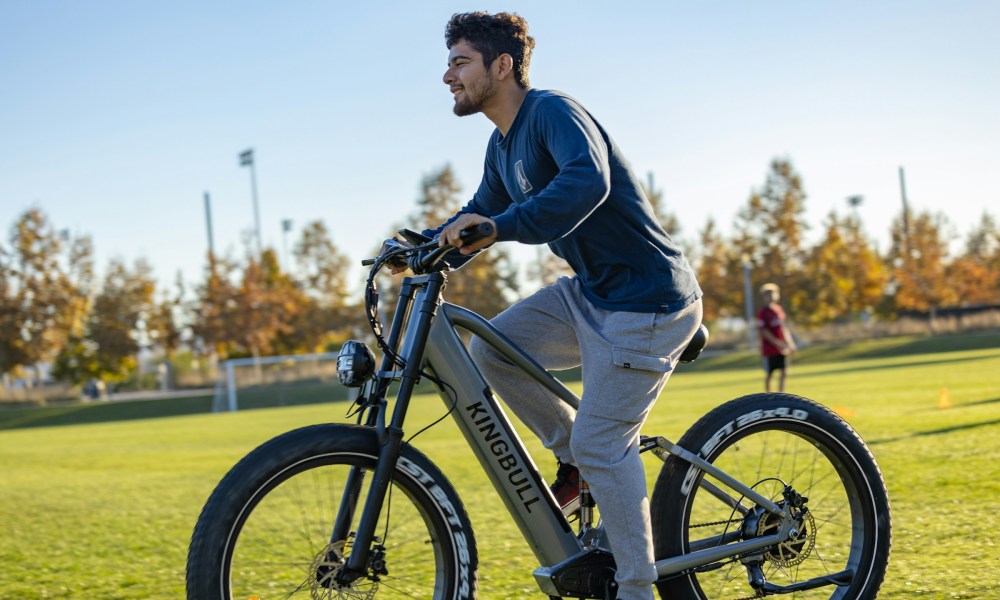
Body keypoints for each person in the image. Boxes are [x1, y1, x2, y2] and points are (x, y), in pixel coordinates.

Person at [418, 12, 703, 599]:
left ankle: (637, 587)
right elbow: (477, 213)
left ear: (502, 65)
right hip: (593, 292)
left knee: (606, 443)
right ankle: (575, 460)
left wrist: (498, 227)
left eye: (459, 61)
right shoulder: (501, 147)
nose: (447, 74)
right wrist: (420, 248)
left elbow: (585, 183)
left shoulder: (551, 111)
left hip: (648, 302)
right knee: (494, 350)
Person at [757, 282, 796, 392]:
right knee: (770, 373)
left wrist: (789, 343)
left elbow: (783, 328)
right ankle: (769, 395)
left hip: (781, 348)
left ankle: (781, 394)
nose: (770, 296)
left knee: (784, 371)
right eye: (767, 294)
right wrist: (777, 343)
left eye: (772, 293)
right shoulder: (763, 312)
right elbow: (763, 331)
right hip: (769, 348)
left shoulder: (778, 310)